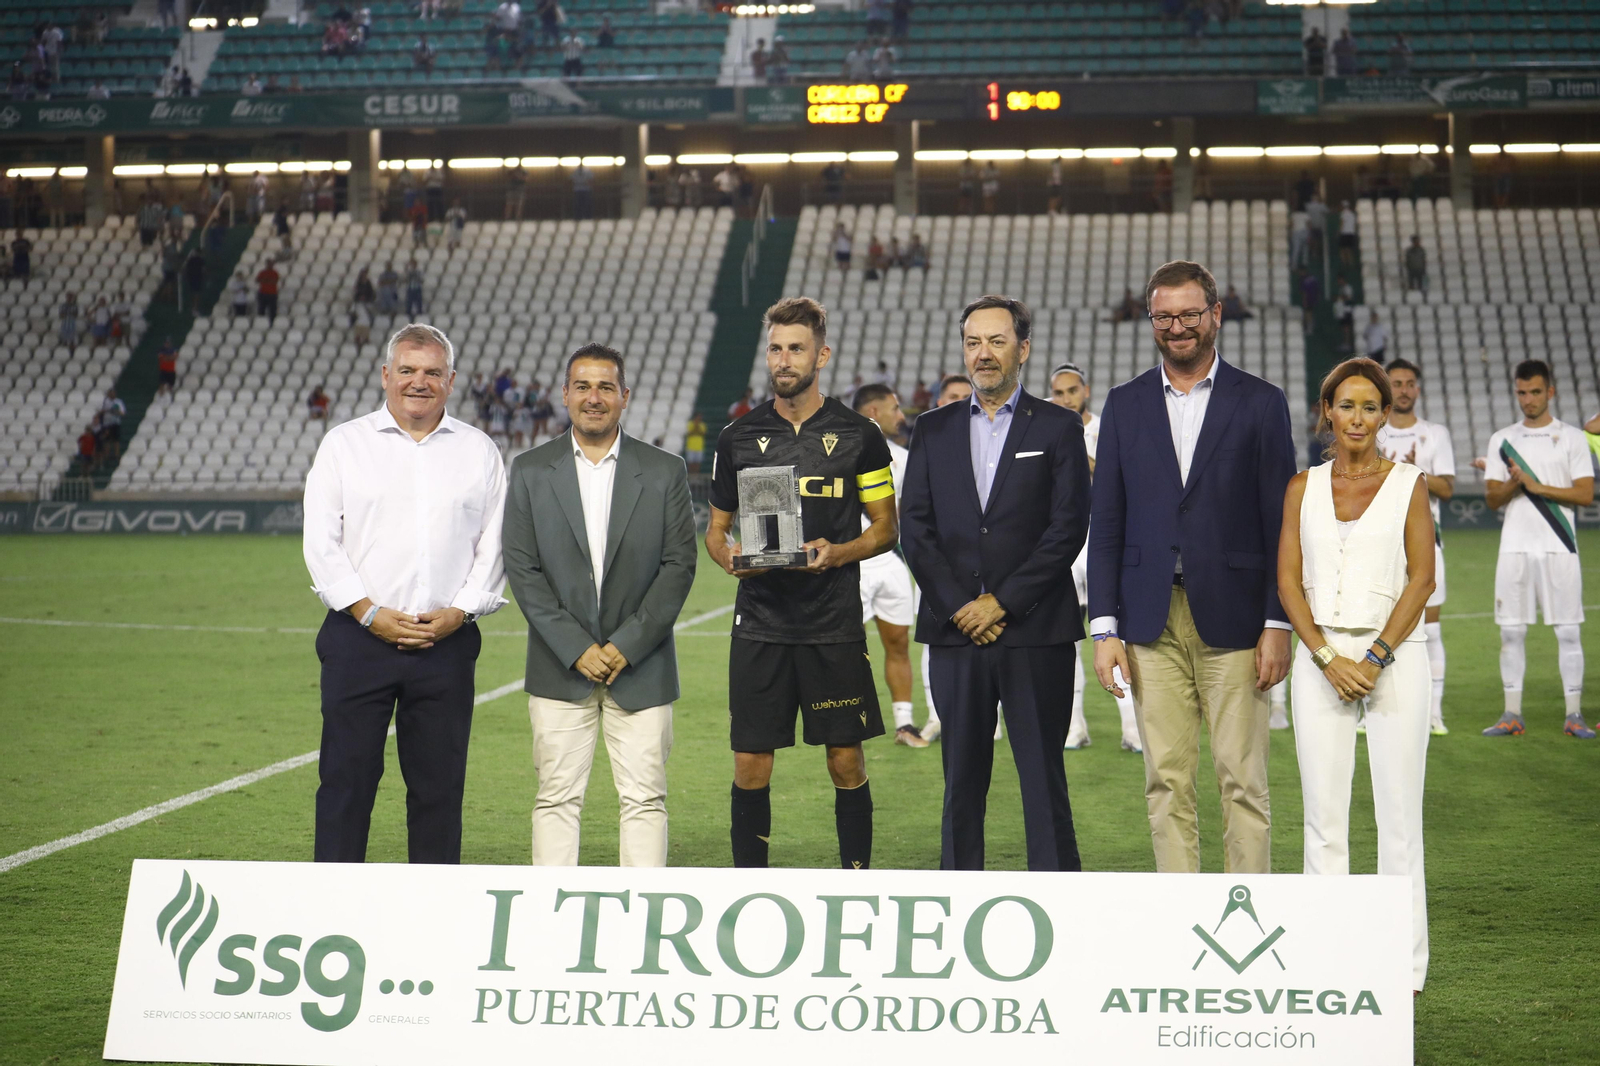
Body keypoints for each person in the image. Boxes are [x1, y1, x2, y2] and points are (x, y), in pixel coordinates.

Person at [1089, 260, 1297, 875]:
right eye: (1164, 316)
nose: (1177, 327)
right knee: (1165, 780)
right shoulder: (1123, 405)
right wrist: (1104, 628)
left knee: (1243, 782)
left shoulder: (1260, 402)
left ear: (1216, 315)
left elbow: (1280, 523)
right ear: (1152, 320)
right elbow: (1108, 524)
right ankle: (1181, 920)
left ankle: (1248, 914)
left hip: (1236, 620)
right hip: (1148, 621)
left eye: (1188, 314)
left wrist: (1276, 622)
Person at [302, 323, 508, 864]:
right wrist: (369, 613)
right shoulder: (344, 444)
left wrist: (457, 613)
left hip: (446, 644)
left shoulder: (479, 450)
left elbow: (496, 546)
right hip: (357, 640)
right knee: (345, 786)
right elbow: (320, 543)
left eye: (433, 372)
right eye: (409, 371)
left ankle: (432, 922)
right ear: (386, 375)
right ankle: (334, 908)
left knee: (439, 793)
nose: (420, 382)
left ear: (452, 380)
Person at [705, 297, 899, 870]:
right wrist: (731, 558)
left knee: (845, 759)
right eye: (776, 348)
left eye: (796, 348)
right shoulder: (738, 437)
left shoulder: (859, 433)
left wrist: (839, 552)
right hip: (760, 623)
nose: (784, 359)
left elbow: (886, 528)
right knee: (750, 763)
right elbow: (716, 532)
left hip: (832, 622)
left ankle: (856, 883)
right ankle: (748, 885)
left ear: (822, 354)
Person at [899, 296, 1089, 871]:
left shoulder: (1058, 427)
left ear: (1023, 349)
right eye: (973, 342)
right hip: (957, 635)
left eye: (997, 341)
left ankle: (1060, 902)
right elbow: (916, 528)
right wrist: (961, 606)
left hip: (1036, 633)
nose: (983, 354)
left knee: (1043, 780)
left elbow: (1068, 527)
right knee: (960, 783)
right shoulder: (931, 429)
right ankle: (958, 900)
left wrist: (1000, 602)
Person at [500, 343, 695, 866]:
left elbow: (679, 567)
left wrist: (626, 646)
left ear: (624, 396)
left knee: (645, 800)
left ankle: (644, 926)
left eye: (605, 387)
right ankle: (553, 923)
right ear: (564, 395)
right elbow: (523, 570)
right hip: (559, 668)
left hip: (643, 665)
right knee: (557, 799)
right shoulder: (530, 470)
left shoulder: (663, 470)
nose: (594, 398)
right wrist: (576, 647)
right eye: (582, 386)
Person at [1279, 357, 1434, 992]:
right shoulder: (1301, 487)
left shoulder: (1410, 484)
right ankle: (1327, 958)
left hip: (1394, 661)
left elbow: (1422, 578)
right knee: (1323, 815)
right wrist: (1324, 656)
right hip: (1319, 661)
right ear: (1327, 412)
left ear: (1385, 415)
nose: (1359, 418)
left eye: (1372, 407)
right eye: (1347, 405)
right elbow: (1288, 581)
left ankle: (1403, 966)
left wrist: (1372, 659)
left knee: (1399, 816)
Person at [1481, 360, 1595, 739]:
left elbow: (1584, 493)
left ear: (1550, 392)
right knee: (1511, 632)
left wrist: (1536, 485)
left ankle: (1573, 714)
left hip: (1559, 547)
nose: (1527, 400)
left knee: (1567, 632)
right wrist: (1517, 485)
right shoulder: (1502, 440)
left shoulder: (1572, 438)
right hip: (1514, 549)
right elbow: (1493, 499)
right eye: (1521, 392)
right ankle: (1512, 714)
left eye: (1534, 392)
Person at [1050, 362, 1141, 753]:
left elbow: (1119, 480)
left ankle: (1133, 731)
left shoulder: (1110, 427)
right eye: (1059, 393)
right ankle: (1074, 727)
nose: (1066, 399)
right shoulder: (1049, 430)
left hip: (1105, 540)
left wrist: (1079, 452)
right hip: (1063, 542)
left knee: (1115, 632)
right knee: (1066, 636)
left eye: (1072, 391)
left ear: (1085, 391)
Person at [1378, 359, 1456, 735]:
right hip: (1379, 545)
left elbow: (1447, 488)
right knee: (1374, 626)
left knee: (1433, 631)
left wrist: (1413, 471)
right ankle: (1369, 711)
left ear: (1418, 389)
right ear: (1386, 388)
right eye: (1397, 383)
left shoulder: (1434, 434)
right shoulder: (1373, 433)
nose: (1404, 389)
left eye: (1410, 383)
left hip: (1428, 544)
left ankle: (1433, 714)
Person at [852, 384, 927, 748]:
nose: (902, 416)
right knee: (845, 649)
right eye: (895, 409)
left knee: (898, 644)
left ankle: (905, 724)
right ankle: (845, 722)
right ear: (873, 413)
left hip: (893, 564)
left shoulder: (904, 457)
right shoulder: (838, 453)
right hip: (853, 565)